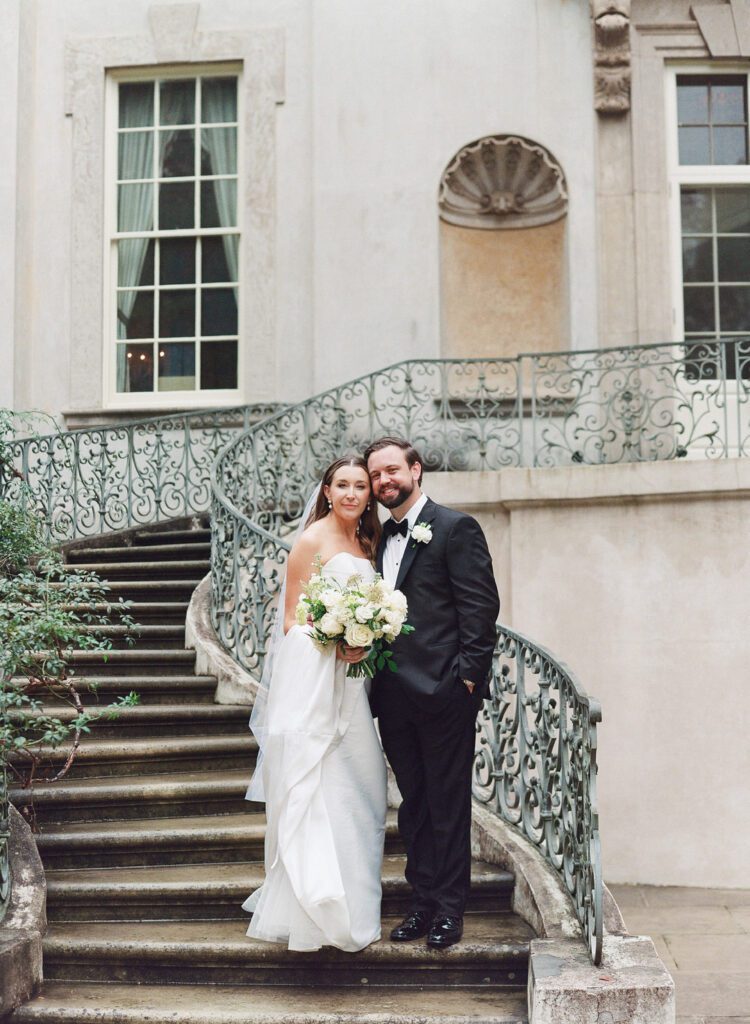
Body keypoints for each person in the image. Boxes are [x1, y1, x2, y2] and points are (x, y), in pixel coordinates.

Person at [242, 456, 387, 952]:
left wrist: (367, 639)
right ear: (326, 491)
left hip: (355, 686)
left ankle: (358, 903)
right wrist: (335, 636)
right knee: (324, 791)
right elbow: (290, 621)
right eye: (342, 485)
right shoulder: (311, 541)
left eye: (360, 486)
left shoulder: (367, 542)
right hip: (320, 684)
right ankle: (321, 909)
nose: (351, 493)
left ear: (369, 495)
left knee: (365, 791)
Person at [364, 436, 500, 950]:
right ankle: (420, 904)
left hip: (445, 693)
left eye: (393, 471)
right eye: (377, 476)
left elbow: (480, 608)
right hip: (391, 696)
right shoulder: (375, 538)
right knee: (414, 805)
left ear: (416, 469)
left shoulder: (454, 528)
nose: (384, 482)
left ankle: (449, 910)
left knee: (446, 804)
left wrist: (467, 680)